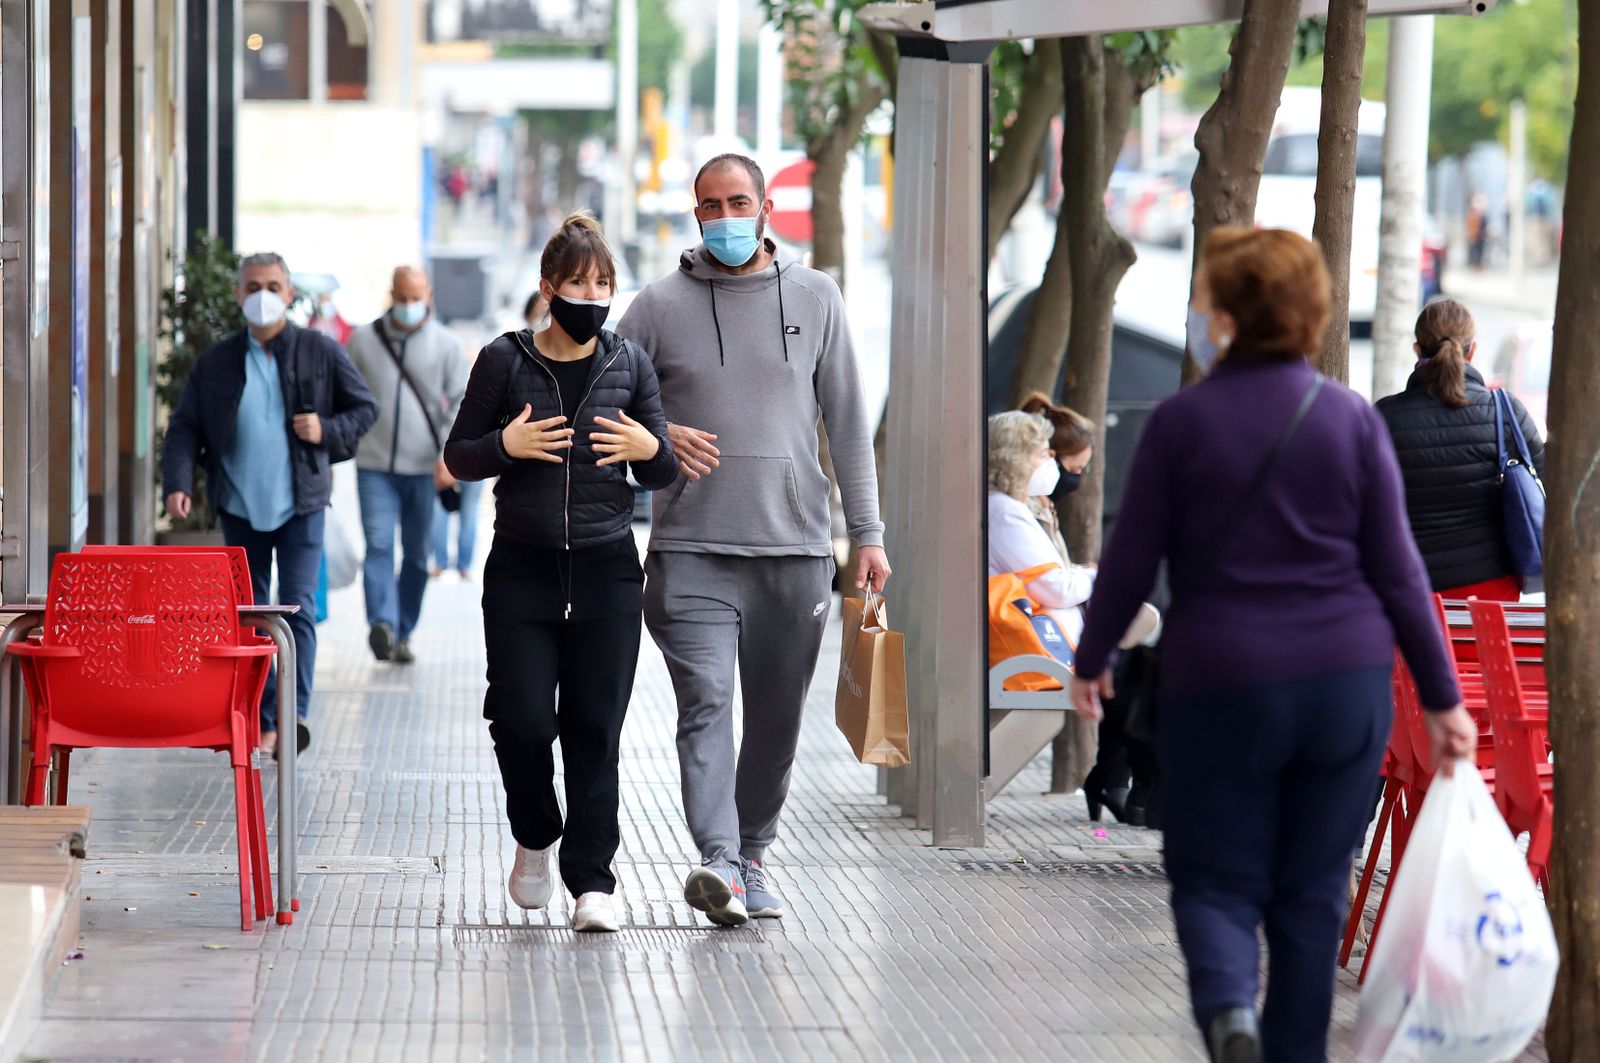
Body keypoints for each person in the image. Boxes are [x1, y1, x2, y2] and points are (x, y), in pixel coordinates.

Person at [1067, 228, 1474, 1063]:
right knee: (1313, 895)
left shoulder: (1181, 423)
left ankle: (1229, 1010)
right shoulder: (1351, 420)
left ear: (1225, 316)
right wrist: (1443, 699)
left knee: (1213, 877)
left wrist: (1092, 658)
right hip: (1344, 686)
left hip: (1220, 679)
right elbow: (1400, 573)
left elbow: (1131, 560)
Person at [616, 153, 891, 926]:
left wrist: (867, 533)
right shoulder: (658, 305)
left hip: (794, 551)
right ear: (695, 213)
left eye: (739, 202)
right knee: (705, 704)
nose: (726, 217)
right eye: (711, 205)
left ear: (766, 208)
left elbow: (848, 424)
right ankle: (719, 861)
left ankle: (754, 851)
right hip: (690, 552)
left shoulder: (816, 296)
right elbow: (604, 399)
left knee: (776, 720)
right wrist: (658, 434)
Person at [443, 211, 678, 934]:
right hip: (523, 567)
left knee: (594, 728)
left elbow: (664, 467)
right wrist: (505, 446)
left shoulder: (629, 363)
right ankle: (535, 830)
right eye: (578, 284)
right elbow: (458, 455)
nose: (592, 297)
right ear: (548, 288)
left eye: (603, 284)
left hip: (607, 569)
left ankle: (592, 881)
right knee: (520, 719)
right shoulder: (504, 359)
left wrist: (649, 448)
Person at [162, 252, 378, 755]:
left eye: (273, 286)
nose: (263, 295)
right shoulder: (216, 362)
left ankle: (293, 716)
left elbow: (365, 408)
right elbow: (184, 427)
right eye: (253, 286)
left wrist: (326, 429)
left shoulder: (318, 350)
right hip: (239, 504)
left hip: (300, 503)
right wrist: (178, 482)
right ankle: (263, 718)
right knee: (250, 614)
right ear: (238, 293)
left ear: (289, 294)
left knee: (297, 607)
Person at [1375, 298, 1545, 601]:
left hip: (1411, 598)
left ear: (1417, 349)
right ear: (1472, 350)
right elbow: (1551, 481)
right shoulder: (1504, 412)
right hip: (1493, 601)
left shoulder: (1383, 418)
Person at [346, 267, 469, 663]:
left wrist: (447, 456)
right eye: (402, 297)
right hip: (374, 464)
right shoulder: (364, 340)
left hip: (424, 468)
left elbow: (463, 401)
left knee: (416, 555)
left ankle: (403, 631)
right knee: (379, 545)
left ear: (428, 294)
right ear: (392, 295)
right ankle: (381, 623)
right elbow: (345, 392)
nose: (408, 305)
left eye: (415, 297)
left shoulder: (446, 345)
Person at [986, 410, 1096, 652]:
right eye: (1043, 454)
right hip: (1038, 656)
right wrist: (1096, 577)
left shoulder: (1004, 507)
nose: (1050, 463)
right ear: (1016, 460)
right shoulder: (1005, 512)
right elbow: (1057, 589)